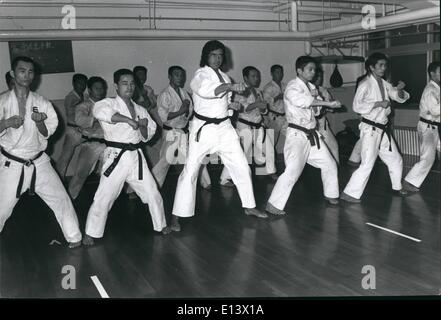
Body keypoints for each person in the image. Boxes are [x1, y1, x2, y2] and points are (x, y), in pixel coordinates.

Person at [171, 40, 268, 232]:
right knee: (190, 171)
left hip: (224, 128)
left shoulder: (225, 77)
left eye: (220, 55)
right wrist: (229, 88)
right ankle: (177, 215)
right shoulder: (200, 75)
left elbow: (225, 101)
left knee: (241, 166)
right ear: (206, 56)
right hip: (204, 129)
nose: (217, 58)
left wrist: (231, 107)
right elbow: (208, 92)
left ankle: (249, 206)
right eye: (213, 55)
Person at [0, 56, 82, 248]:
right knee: (2, 208)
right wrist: (6, 123)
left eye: (31, 72)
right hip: (12, 163)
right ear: (13, 74)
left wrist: (39, 122)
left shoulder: (42, 102)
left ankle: (74, 237)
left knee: (61, 198)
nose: (27, 75)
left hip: (39, 161)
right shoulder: (2, 101)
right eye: (22, 71)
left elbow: (47, 133)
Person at [82, 69, 170, 246]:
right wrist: (128, 120)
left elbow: (148, 135)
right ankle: (91, 232)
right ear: (116, 86)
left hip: (136, 156)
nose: (129, 87)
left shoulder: (140, 109)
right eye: (124, 83)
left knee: (152, 191)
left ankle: (160, 225)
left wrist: (143, 127)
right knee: (104, 196)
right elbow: (102, 113)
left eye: (132, 84)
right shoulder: (107, 103)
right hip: (116, 156)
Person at [266, 56, 342, 216]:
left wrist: (322, 102)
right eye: (310, 69)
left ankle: (332, 195)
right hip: (297, 136)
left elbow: (316, 110)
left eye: (314, 69)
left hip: (312, 135)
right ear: (299, 70)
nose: (313, 72)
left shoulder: (312, 87)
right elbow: (302, 102)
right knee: (293, 170)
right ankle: (274, 204)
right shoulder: (292, 87)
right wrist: (325, 103)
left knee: (329, 163)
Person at [340, 52, 410, 203]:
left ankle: (397, 186)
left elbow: (398, 97)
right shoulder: (365, 84)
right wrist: (378, 104)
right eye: (380, 65)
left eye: (385, 65)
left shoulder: (385, 83)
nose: (383, 68)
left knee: (396, 158)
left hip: (383, 129)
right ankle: (349, 193)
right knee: (368, 163)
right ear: (371, 67)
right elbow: (357, 106)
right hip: (370, 129)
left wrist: (399, 90)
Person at [152, 65, 211, 189]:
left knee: (194, 156)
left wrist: (185, 111)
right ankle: (153, 186)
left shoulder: (184, 92)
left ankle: (206, 182)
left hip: (183, 131)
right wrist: (181, 110)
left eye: (181, 75)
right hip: (171, 133)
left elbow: (189, 111)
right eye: (176, 75)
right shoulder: (164, 94)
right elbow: (164, 117)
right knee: (165, 161)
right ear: (169, 76)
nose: (180, 78)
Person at [219, 66, 276, 186]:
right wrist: (256, 104)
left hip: (258, 124)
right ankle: (224, 179)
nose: (256, 79)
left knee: (269, 147)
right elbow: (242, 108)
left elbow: (263, 111)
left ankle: (271, 171)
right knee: (241, 153)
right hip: (245, 126)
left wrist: (263, 108)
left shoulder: (258, 92)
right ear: (245, 77)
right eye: (253, 76)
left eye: (257, 76)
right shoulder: (239, 91)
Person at [67, 76, 107, 199]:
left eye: (102, 88)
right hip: (91, 144)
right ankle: (70, 200)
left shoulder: (108, 104)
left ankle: (104, 201)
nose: (100, 91)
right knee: (80, 175)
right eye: (96, 88)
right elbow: (79, 120)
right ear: (89, 90)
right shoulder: (84, 105)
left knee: (108, 174)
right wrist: (96, 117)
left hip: (107, 145)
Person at [403, 61, 440, 192]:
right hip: (428, 128)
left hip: (435, 127)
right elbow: (435, 110)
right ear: (432, 74)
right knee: (428, 157)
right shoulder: (430, 90)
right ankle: (408, 182)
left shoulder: (437, 89)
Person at [56, 73, 88, 179]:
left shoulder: (84, 96)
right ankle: (58, 179)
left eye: (84, 84)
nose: (82, 86)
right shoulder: (70, 98)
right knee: (65, 156)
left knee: (93, 150)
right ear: (73, 84)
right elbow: (73, 114)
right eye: (79, 83)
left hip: (84, 130)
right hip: (73, 130)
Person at [313, 67, 340, 164]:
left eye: (321, 76)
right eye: (317, 76)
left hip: (322, 123)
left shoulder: (323, 90)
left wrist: (333, 105)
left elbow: (330, 107)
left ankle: (336, 168)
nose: (320, 79)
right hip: (310, 125)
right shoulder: (306, 90)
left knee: (333, 146)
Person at [263, 64, 287, 156]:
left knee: (291, 138)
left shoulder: (285, 85)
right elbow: (265, 104)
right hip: (274, 118)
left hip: (285, 117)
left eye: (281, 72)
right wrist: (277, 97)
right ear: (272, 74)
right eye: (277, 72)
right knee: (271, 142)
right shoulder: (268, 87)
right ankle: (265, 160)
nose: (280, 74)